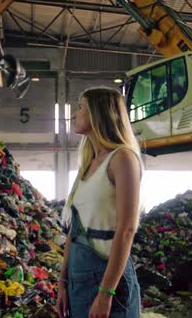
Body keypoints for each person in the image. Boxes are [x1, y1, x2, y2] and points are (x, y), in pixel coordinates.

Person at [56, 87, 142, 318]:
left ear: (98, 112)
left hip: (106, 281)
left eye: (80, 107)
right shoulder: (87, 165)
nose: (74, 114)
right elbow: (74, 231)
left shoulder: (122, 158)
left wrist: (105, 293)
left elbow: (126, 229)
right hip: (79, 280)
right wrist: (63, 282)